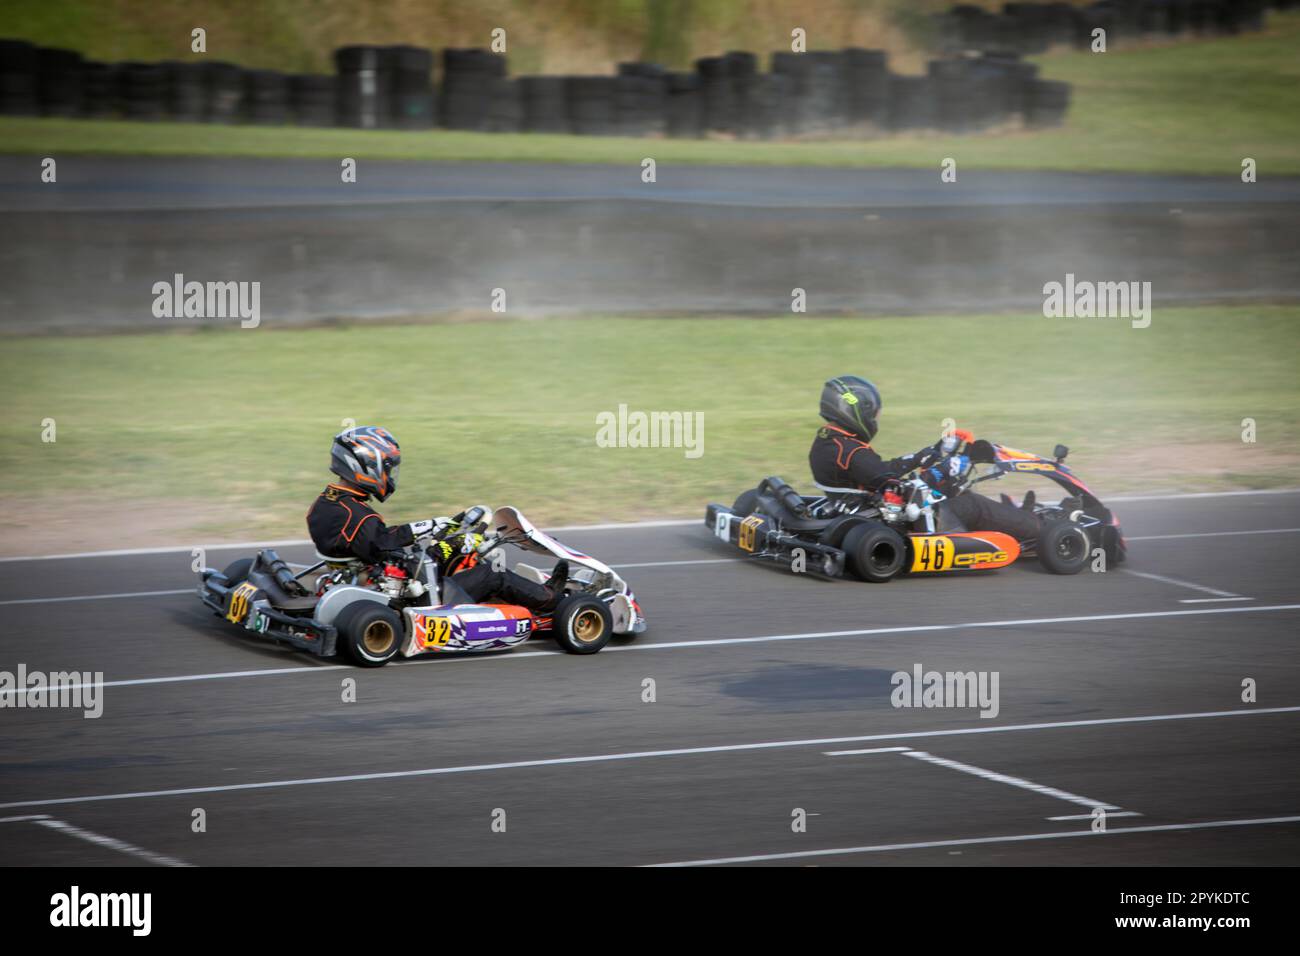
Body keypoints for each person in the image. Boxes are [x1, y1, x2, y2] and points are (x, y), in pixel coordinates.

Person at [307, 425, 567, 608]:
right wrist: (428, 528)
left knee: (459, 553)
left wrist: (443, 544)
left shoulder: (325, 504)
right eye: (387, 469)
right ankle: (551, 599)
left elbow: (379, 544)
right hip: (405, 592)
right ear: (366, 467)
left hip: (369, 575)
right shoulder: (359, 515)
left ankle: (516, 590)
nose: (390, 476)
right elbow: (380, 545)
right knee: (492, 574)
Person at [809, 376, 1041, 540]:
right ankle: (1040, 529)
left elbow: (880, 471)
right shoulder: (852, 452)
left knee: (956, 491)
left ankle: (1018, 517)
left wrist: (924, 455)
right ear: (856, 411)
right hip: (891, 518)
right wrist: (943, 470)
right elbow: (899, 489)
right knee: (973, 504)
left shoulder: (829, 442)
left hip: (856, 509)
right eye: (872, 414)